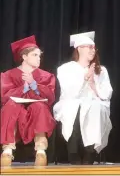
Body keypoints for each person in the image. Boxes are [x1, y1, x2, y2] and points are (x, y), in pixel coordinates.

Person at [53, 31, 113, 165]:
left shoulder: (101, 70)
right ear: (79, 48)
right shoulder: (65, 69)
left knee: (94, 107)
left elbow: (107, 93)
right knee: (76, 107)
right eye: (89, 47)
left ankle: (89, 153)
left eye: (94, 48)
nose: (93, 50)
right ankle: (73, 153)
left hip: (95, 104)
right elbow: (70, 92)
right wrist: (85, 79)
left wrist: (92, 84)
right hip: (70, 103)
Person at [1, 35, 56, 167]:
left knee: (40, 107)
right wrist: (24, 87)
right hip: (15, 107)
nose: (39, 58)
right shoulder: (8, 75)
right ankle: (7, 151)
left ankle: (41, 151)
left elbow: (50, 97)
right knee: (10, 106)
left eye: (39, 55)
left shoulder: (45, 76)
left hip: (35, 108)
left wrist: (35, 85)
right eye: (34, 55)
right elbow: (4, 96)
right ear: (24, 57)